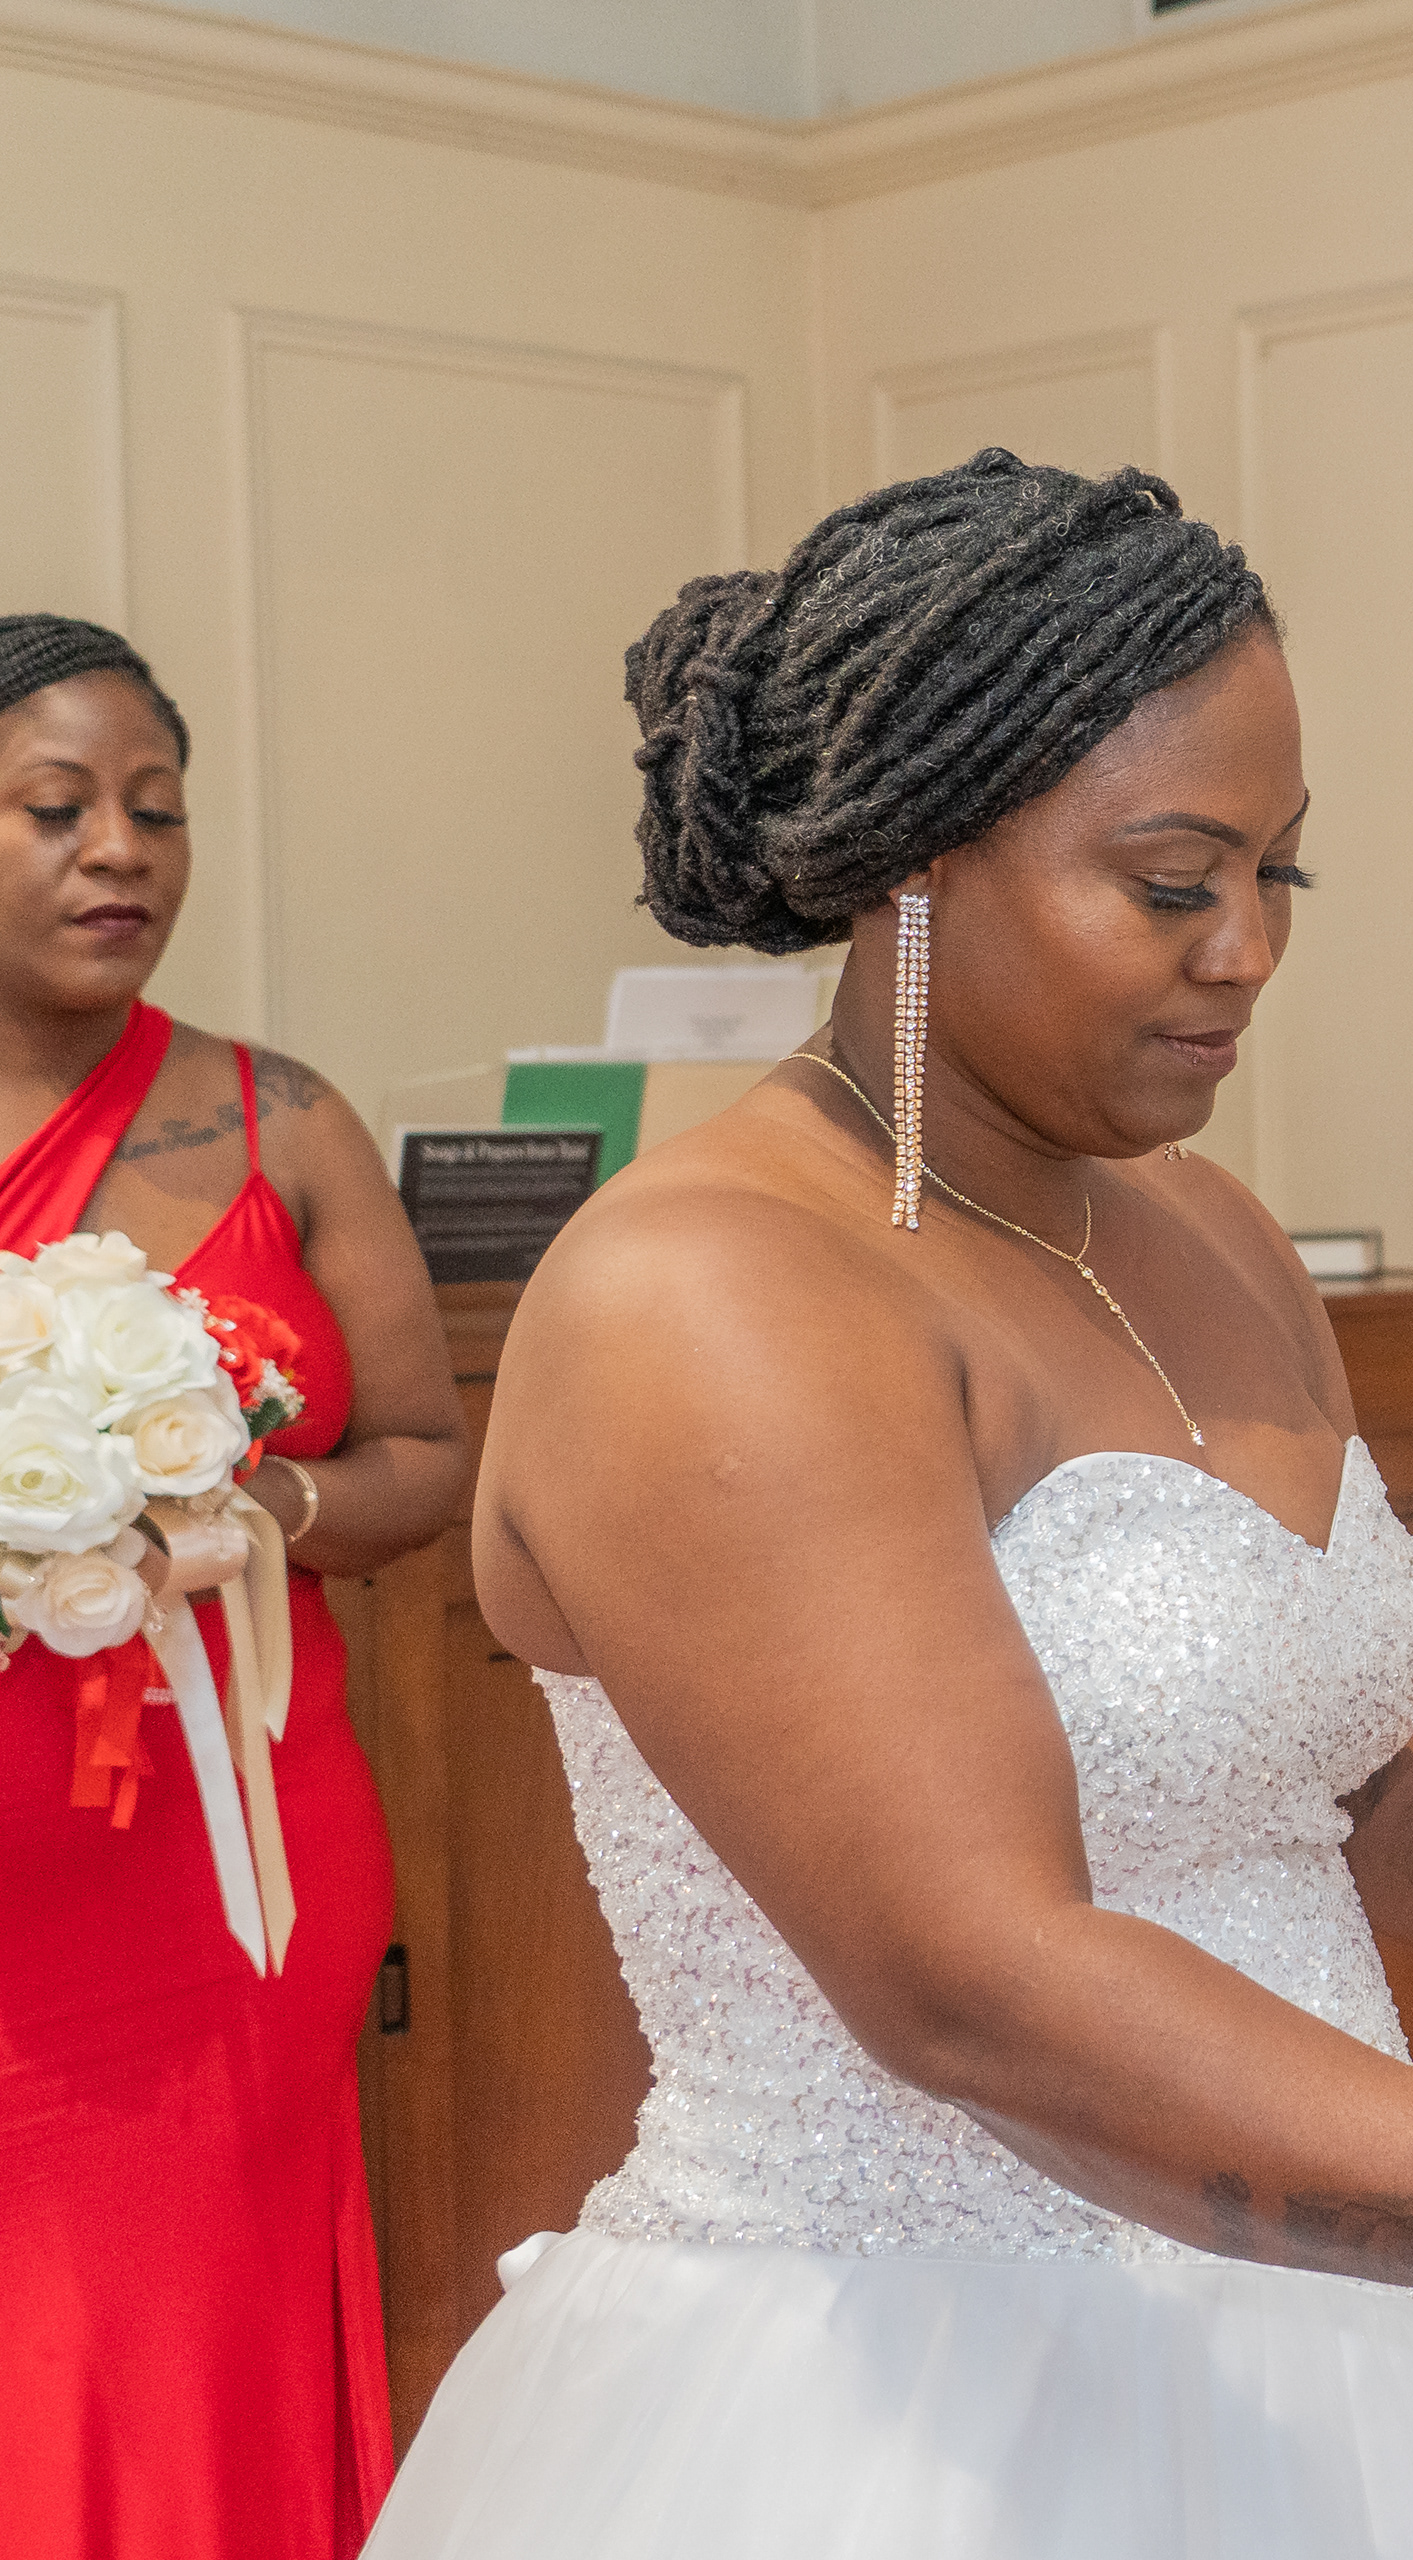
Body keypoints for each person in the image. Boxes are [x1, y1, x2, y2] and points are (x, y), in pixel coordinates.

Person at [364, 453, 1413, 2560]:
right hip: (901, 2405)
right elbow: (978, 1981)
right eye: (1173, 881)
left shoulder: (1206, 1232)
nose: (1249, 948)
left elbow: (1338, 1773)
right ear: (913, 865)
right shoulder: (709, 1294)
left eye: (1283, 874)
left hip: (1361, 2359)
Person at [0, 616, 475, 2560]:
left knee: (193, 2315)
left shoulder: (279, 1119)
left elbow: (430, 1464)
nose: (122, 848)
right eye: (57, 806)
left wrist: (199, 1510)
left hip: (226, 1867)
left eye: (159, 809)